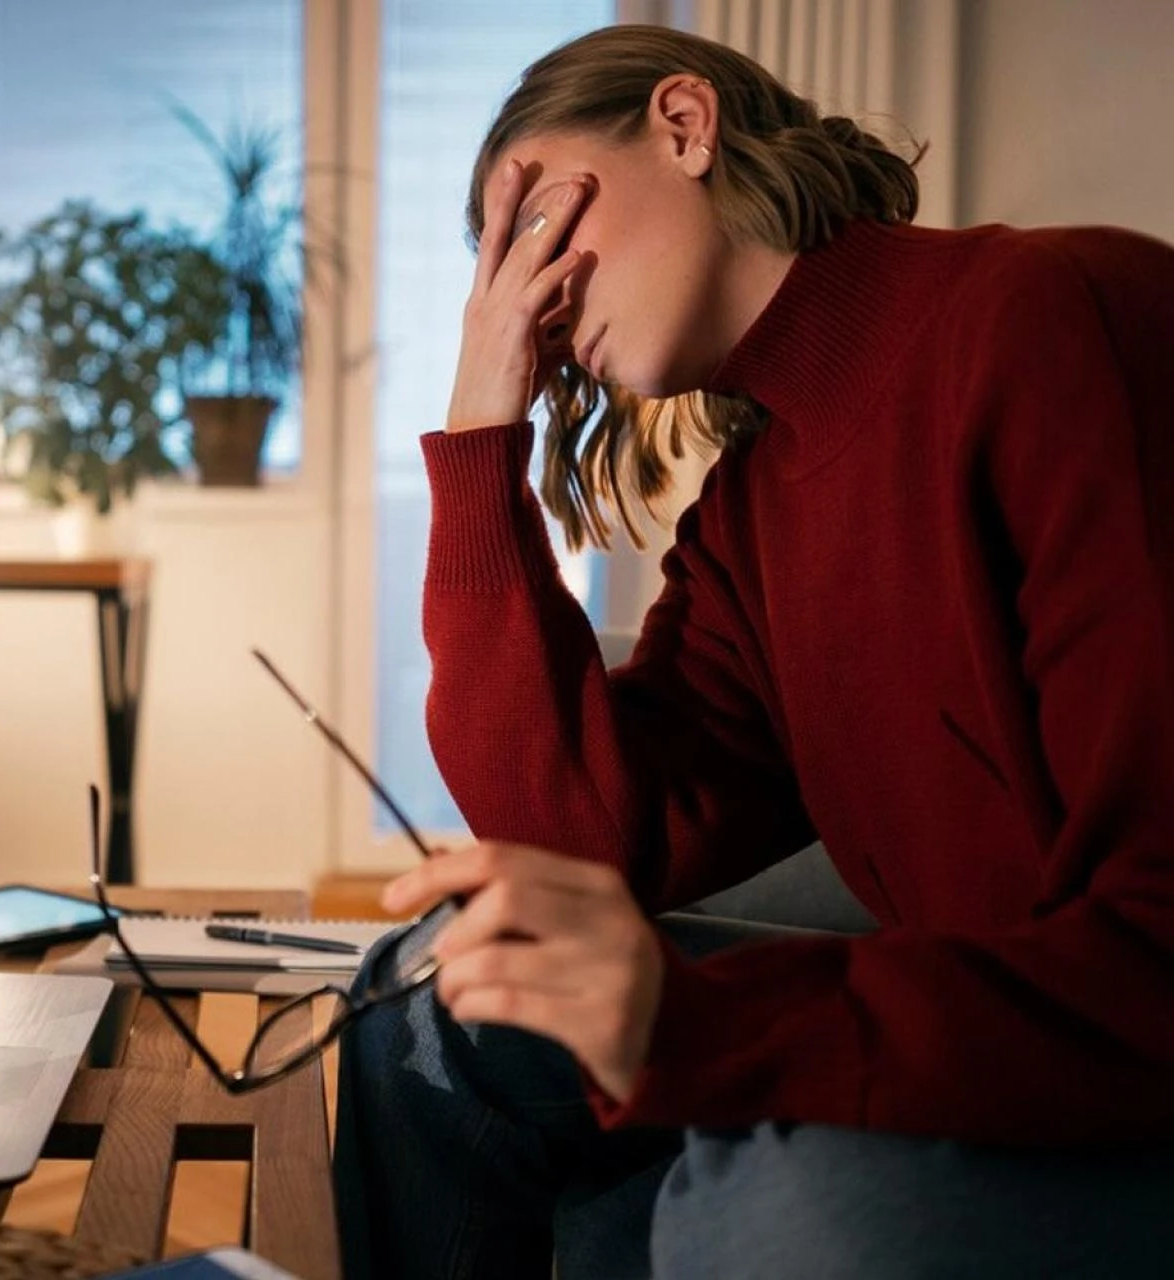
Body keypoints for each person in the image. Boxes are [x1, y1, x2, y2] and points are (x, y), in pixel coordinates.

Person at [332, 23, 1174, 1280]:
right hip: (1004, 1028)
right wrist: (478, 431)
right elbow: (582, 845)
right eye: (501, 267)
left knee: (764, 1210)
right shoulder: (753, 506)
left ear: (685, 123)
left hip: (1122, 1049)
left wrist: (710, 1027)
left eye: (545, 227)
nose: (534, 296)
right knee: (432, 990)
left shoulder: (1053, 316)